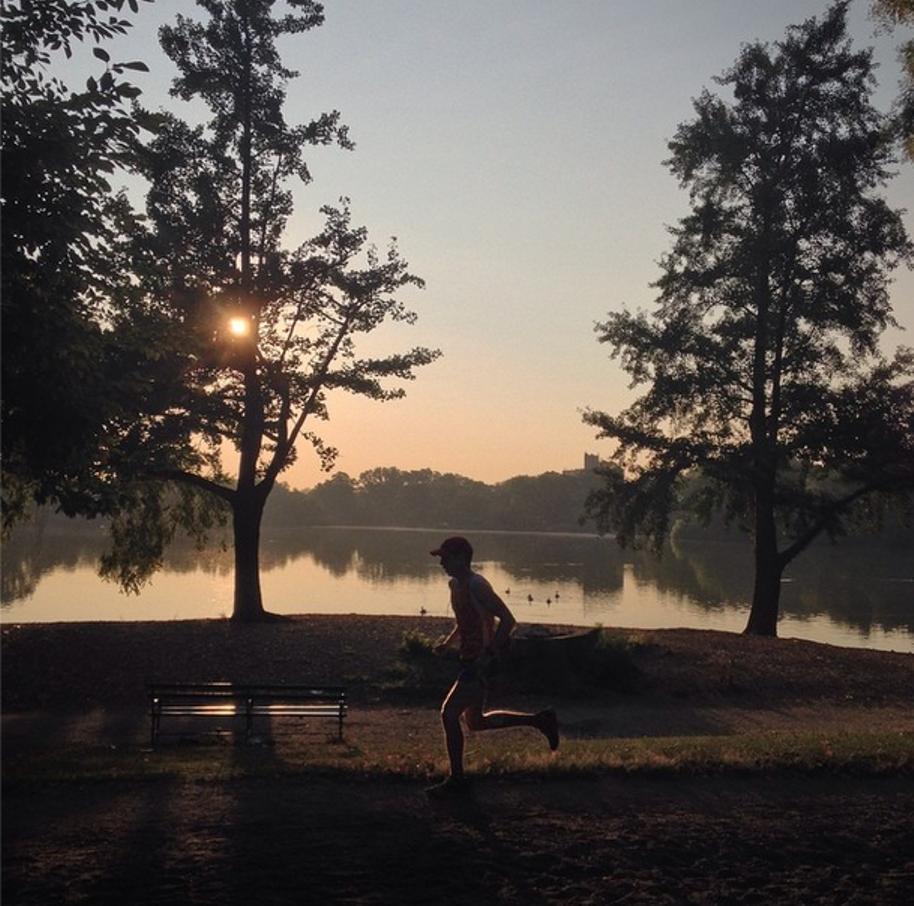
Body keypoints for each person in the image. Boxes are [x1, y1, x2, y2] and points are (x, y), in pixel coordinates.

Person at [425, 536, 559, 797]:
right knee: (475, 722)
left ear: (462, 558)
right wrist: (448, 643)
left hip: (480, 664)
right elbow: (465, 621)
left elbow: (508, 620)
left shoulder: (478, 585)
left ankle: (457, 780)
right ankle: (540, 720)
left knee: (449, 714)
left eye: (445, 557)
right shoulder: (455, 585)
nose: (441, 563)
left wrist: (488, 654)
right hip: (469, 659)